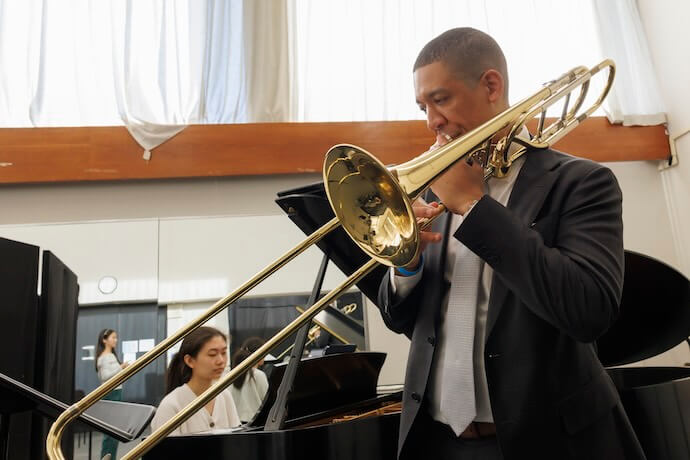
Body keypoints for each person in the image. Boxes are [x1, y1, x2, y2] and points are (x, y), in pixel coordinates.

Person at [376, 28, 646, 460]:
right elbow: (407, 323)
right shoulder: (431, 191)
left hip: (547, 442)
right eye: (423, 106)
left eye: (440, 99)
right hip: (437, 440)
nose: (431, 121)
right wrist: (406, 265)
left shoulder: (582, 183)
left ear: (491, 85)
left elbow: (588, 310)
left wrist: (473, 204)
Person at [150, 326, 240, 435]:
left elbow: (237, 442)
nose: (221, 361)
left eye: (224, 353)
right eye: (212, 354)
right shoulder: (171, 406)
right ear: (190, 361)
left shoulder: (225, 396)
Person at [95, 328, 129, 460]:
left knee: (114, 432)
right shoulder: (103, 358)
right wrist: (120, 368)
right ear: (104, 340)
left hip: (116, 392)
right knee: (110, 431)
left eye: (116, 337)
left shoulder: (111, 355)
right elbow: (105, 376)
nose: (116, 340)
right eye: (113, 337)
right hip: (111, 393)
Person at [229, 336, 269, 423]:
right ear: (258, 353)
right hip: (255, 423)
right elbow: (267, 401)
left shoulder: (232, 374)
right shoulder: (259, 375)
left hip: (236, 422)